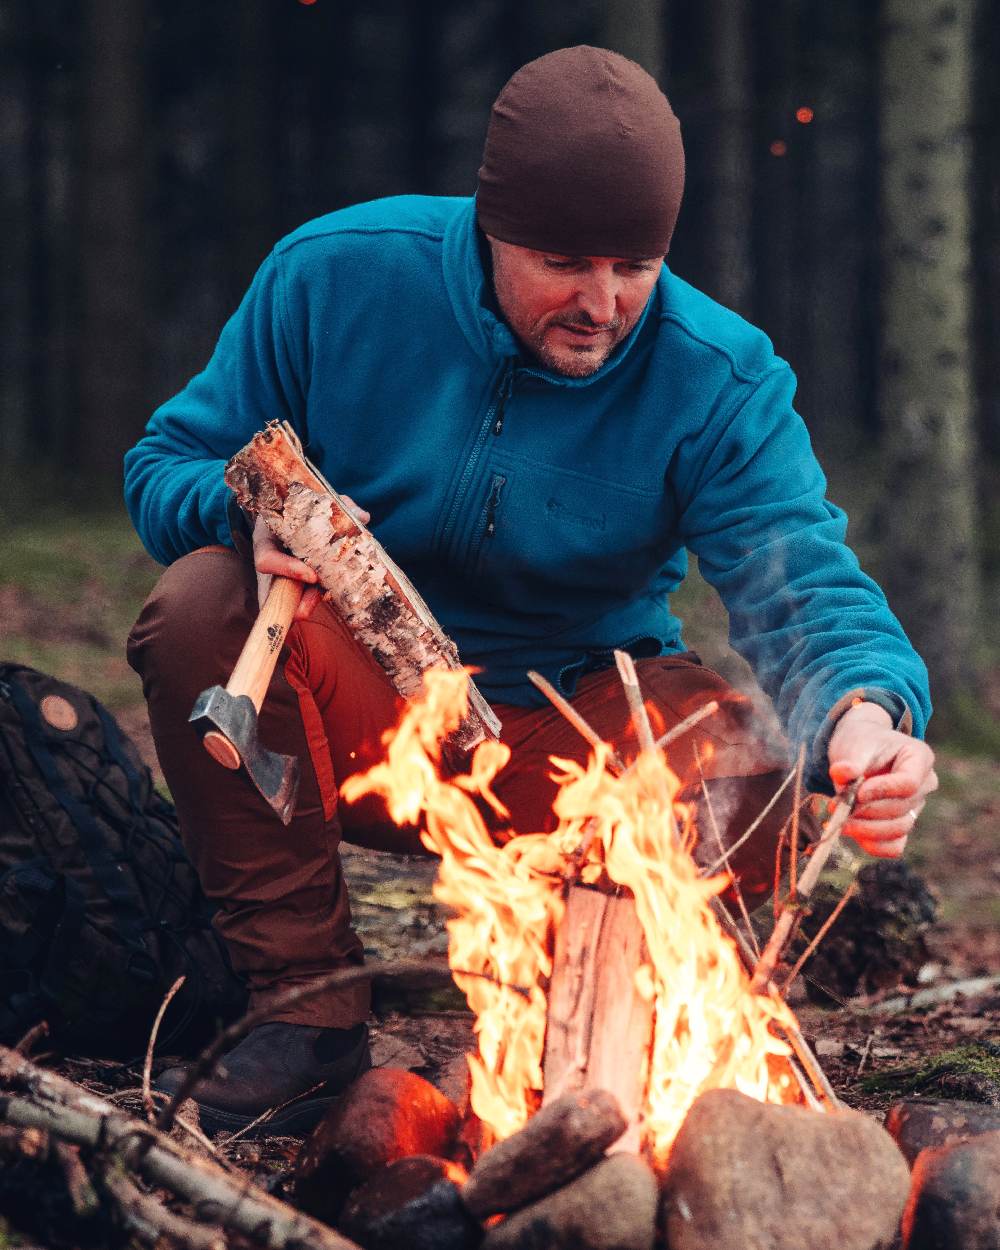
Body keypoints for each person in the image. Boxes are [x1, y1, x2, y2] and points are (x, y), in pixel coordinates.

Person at [124, 46, 937, 1134]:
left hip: (575, 742)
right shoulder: (336, 277)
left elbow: (802, 586)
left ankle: (591, 1007)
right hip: (369, 723)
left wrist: (869, 712)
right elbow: (164, 459)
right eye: (562, 260)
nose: (602, 303)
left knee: (739, 762)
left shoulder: (716, 375)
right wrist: (240, 511)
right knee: (199, 608)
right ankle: (304, 1013)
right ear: (487, 225)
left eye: (633, 265)